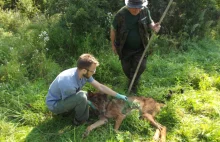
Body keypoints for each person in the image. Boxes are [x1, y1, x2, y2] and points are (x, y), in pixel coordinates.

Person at [46, 53, 127, 125]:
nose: (94, 72)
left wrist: (118, 95)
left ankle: (82, 112)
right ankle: (80, 121)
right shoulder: (68, 83)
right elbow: (71, 98)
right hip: (55, 105)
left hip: (66, 97)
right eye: (93, 70)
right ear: (84, 70)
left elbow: (100, 86)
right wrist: (88, 102)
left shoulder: (82, 73)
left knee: (85, 95)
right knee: (82, 97)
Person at [110, 0, 161, 94]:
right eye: (134, 7)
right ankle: (132, 79)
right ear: (128, 5)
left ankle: (132, 87)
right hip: (124, 48)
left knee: (141, 66)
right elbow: (113, 29)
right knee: (126, 69)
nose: (137, 10)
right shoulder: (121, 14)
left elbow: (150, 22)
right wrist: (113, 44)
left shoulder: (145, 11)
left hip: (141, 47)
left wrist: (154, 27)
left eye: (139, 7)